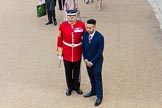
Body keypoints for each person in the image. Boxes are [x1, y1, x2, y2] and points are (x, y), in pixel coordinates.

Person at [57, 10, 86, 96]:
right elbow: (59, 39)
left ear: (75, 17)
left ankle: (77, 86)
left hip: (77, 51)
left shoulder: (81, 25)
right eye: (69, 17)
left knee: (77, 71)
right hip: (67, 52)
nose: (70, 19)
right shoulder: (62, 26)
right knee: (68, 71)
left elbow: (84, 38)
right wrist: (59, 53)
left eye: (72, 17)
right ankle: (69, 87)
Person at [82, 19, 104, 106]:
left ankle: (99, 96)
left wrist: (92, 62)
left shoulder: (100, 37)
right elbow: (83, 48)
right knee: (91, 76)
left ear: (94, 27)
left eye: (90, 28)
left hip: (96, 61)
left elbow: (99, 52)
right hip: (88, 61)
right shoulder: (85, 35)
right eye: (87, 27)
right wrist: (86, 59)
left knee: (97, 77)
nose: (88, 29)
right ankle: (93, 91)